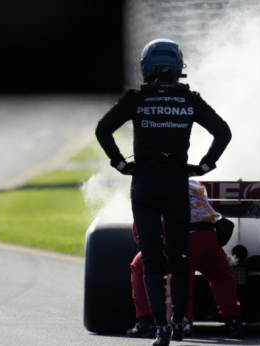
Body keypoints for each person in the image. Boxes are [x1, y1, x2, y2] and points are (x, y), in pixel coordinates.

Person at [95, 38, 232, 346]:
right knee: (179, 256)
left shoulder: (136, 98)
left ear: (146, 68)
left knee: (152, 258)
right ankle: (179, 321)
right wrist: (205, 165)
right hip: (175, 184)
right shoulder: (191, 100)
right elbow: (223, 132)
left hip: (144, 184)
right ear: (179, 68)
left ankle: (159, 328)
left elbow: (103, 129)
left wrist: (119, 163)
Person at [126, 180, 244, 340]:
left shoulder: (150, 184)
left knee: (139, 267)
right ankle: (233, 322)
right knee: (221, 274)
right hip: (204, 240)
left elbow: (140, 229)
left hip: (169, 243)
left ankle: (146, 322)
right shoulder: (196, 184)